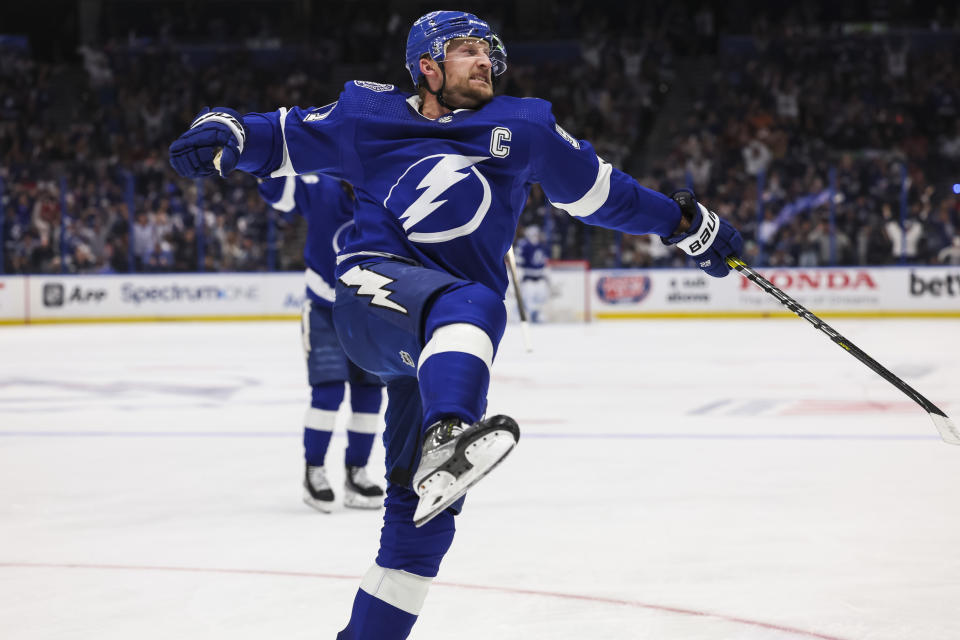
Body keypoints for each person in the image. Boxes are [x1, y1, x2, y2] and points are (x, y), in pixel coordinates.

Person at [169, 11, 743, 638]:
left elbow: (604, 193)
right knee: (474, 303)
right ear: (427, 67)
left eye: (489, 52)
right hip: (370, 299)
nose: (485, 62)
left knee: (420, 532)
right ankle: (449, 430)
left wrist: (683, 225)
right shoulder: (367, 116)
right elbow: (280, 136)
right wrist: (223, 129)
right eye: (467, 50)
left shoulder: (525, 127)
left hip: (444, 344)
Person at [257, 173, 385, 512]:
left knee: (370, 394)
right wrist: (270, 152)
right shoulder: (320, 186)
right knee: (328, 392)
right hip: (325, 308)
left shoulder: (390, 187)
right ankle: (314, 471)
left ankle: (357, 472)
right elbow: (276, 191)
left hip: (370, 311)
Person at [515, 225, 550, 322]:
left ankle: (537, 314)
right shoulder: (523, 245)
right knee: (527, 298)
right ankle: (521, 314)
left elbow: (544, 263)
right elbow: (518, 263)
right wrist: (518, 276)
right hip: (528, 279)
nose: (536, 236)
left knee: (541, 297)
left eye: (537, 234)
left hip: (540, 279)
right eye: (534, 234)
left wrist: (547, 276)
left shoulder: (541, 246)